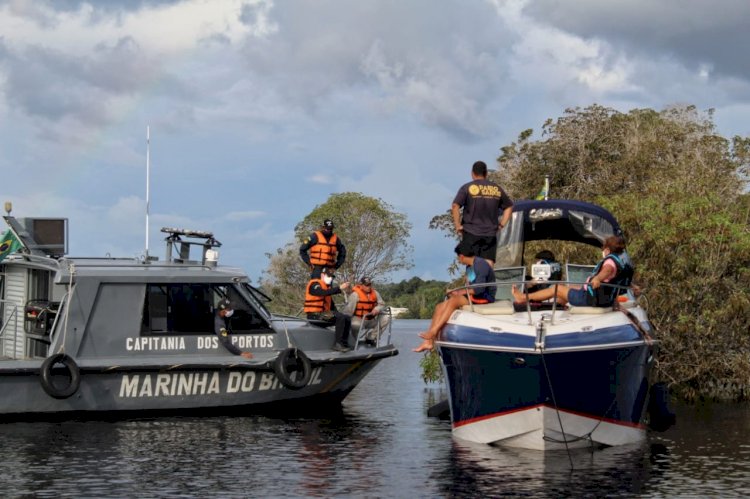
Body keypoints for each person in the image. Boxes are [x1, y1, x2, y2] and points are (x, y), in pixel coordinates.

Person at [413, 244, 496, 353]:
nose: (458, 260)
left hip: (485, 296)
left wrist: (458, 293)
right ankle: (428, 342)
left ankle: (433, 332)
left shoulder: (480, 265)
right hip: (473, 295)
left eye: (457, 257)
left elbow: (479, 289)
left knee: (454, 301)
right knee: (439, 306)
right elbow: (469, 286)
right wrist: (456, 292)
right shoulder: (469, 266)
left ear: (461, 256)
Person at [512, 235, 633, 307]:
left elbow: (607, 270)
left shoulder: (610, 262)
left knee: (556, 288)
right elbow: (615, 277)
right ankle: (555, 306)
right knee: (566, 287)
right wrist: (632, 286)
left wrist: (597, 278)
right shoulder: (621, 263)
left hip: (590, 299)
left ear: (607, 249)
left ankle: (523, 298)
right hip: (601, 298)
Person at [452, 160, 514, 267]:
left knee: (470, 262)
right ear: (486, 173)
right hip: (490, 233)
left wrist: (458, 225)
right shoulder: (496, 189)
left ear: (472, 173)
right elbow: (509, 206)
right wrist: (501, 225)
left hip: (471, 232)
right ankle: (487, 283)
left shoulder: (467, 188)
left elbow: (455, 206)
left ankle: (471, 282)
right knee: (488, 263)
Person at [304, 267, 353, 352]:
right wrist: (339, 288)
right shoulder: (314, 284)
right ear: (322, 275)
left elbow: (332, 307)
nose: (330, 278)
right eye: (329, 276)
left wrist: (340, 315)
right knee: (340, 317)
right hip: (314, 315)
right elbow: (321, 292)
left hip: (323, 315)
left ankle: (344, 343)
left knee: (346, 318)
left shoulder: (326, 288)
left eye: (332, 277)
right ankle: (337, 344)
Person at [345, 276, 391, 346]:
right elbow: (348, 310)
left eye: (369, 284)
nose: (368, 287)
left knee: (386, 318)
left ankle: (371, 338)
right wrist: (345, 320)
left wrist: (377, 309)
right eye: (366, 285)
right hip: (358, 319)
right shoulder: (355, 294)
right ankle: (353, 341)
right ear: (361, 285)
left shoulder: (375, 293)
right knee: (355, 325)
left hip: (371, 319)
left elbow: (381, 304)